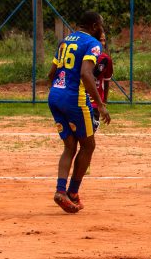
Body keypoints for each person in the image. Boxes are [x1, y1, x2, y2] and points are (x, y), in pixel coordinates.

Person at [46, 11, 111, 214]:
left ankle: (60, 191)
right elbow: (85, 73)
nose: (102, 28)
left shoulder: (65, 41)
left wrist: (57, 93)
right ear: (93, 26)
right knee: (88, 145)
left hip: (55, 95)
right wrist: (100, 104)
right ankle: (72, 192)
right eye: (100, 24)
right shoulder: (92, 43)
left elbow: (51, 73)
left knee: (70, 146)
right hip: (75, 98)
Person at [90, 31, 113, 124]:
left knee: (89, 134)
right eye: (100, 40)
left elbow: (107, 81)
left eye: (104, 40)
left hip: (95, 103)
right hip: (80, 101)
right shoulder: (82, 57)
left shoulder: (106, 60)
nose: (102, 43)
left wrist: (104, 102)